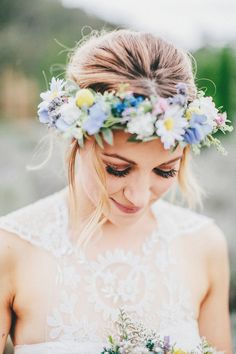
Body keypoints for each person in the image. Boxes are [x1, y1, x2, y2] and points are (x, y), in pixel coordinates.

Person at [0, 29, 233, 354]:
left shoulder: (204, 245)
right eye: (117, 169)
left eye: (165, 171)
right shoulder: (10, 249)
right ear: (75, 139)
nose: (138, 197)